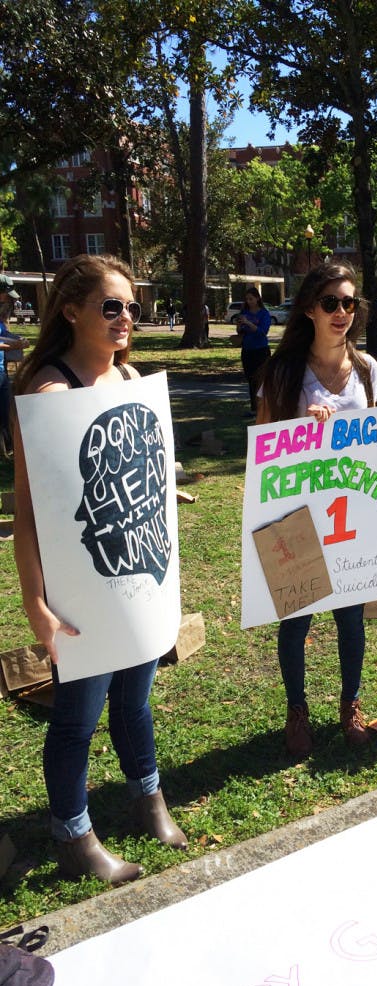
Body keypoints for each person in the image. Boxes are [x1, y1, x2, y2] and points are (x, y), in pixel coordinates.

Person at [13, 254, 187, 885]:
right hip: (79, 587)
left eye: (132, 307)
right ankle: (74, 836)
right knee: (77, 717)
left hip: (137, 574)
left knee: (135, 702)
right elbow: (29, 515)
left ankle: (148, 797)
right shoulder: (48, 394)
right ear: (72, 311)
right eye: (111, 307)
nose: (125, 319)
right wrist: (37, 604)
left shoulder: (132, 378)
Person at [257, 260, 377, 757]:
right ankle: (296, 711)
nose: (342, 312)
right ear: (309, 310)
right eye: (331, 303)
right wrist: (306, 429)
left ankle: (351, 706)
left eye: (349, 302)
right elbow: (263, 454)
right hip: (300, 512)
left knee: (350, 617)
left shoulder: (367, 370)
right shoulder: (283, 374)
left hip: (354, 510)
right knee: (296, 618)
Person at [0, 276, 29, 456]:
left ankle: (7, 449)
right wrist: (15, 345)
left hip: (2, 370)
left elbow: (4, 334)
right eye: (6, 295)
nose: (8, 299)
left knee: (5, 411)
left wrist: (17, 338)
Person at [236, 286, 271, 417]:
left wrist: (249, 323)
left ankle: (265, 408)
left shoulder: (264, 313)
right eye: (247, 299)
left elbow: (263, 332)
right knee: (251, 380)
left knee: (262, 380)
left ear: (257, 298)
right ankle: (254, 408)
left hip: (261, 351)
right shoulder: (244, 312)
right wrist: (239, 326)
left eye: (251, 298)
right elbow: (240, 332)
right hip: (247, 350)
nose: (249, 301)